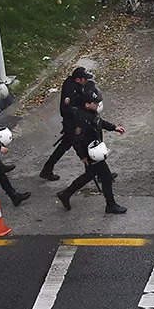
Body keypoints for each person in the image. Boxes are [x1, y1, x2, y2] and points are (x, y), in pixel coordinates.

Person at [56, 85, 128, 214]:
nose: (97, 105)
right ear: (87, 104)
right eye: (95, 103)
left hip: (94, 150)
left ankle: (66, 194)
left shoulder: (91, 113)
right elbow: (76, 140)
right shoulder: (81, 119)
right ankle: (110, 205)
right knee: (105, 177)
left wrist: (114, 127)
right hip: (91, 153)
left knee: (89, 175)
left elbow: (100, 122)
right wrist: (82, 156)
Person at [40, 67, 91, 181]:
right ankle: (94, 171)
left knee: (67, 146)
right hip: (72, 125)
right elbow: (65, 110)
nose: (86, 81)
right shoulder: (70, 89)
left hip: (75, 124)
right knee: (81, 145)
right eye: (84, 79)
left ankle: (47, 169)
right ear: (78, 79)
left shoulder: (74, 84)